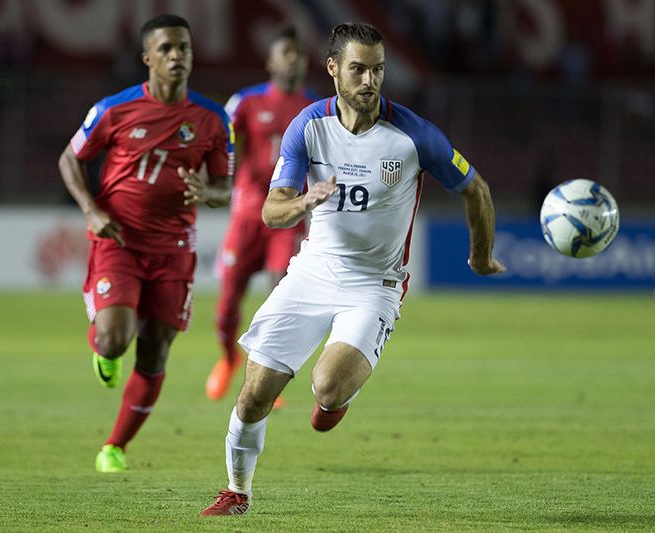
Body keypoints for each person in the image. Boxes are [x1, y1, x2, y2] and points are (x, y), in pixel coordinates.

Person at [199, 22, 505, 516]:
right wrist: (302, 201)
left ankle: (335, 399)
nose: (370, 80)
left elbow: (478, 190)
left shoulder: (413, 134)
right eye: (358, 69)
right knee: (254, 394)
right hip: (312, 273)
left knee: (328, 385)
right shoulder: (308, 126)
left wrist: (480, 254)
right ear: (333, 69)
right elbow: (270, 211)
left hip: (375, 286)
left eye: (378, 70)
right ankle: (237, 492)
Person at [58, 13, 234, 473]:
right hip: (119, 239)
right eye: (167, 49)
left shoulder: (213, 120)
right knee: (117, 340)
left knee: (155, 350)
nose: (177, 56)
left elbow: (225, 188)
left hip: (175, 249)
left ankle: (114, 446)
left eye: (185, 48)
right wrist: (92, 211)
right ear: (147, 58)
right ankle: (103, 348)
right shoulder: (113, 110)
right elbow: (70, 159)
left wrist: (208, 193)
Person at [205, 25, 318, 406]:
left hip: (287, 217)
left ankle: (266, 373)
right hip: (247, 217)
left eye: (299, 53)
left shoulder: (314, 107)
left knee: (279, 291)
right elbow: (219, 139)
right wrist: (216, 180)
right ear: (270, 61)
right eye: (286, 52)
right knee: (228, 303)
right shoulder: (246, 102)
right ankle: (227, 358)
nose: (294, 59)